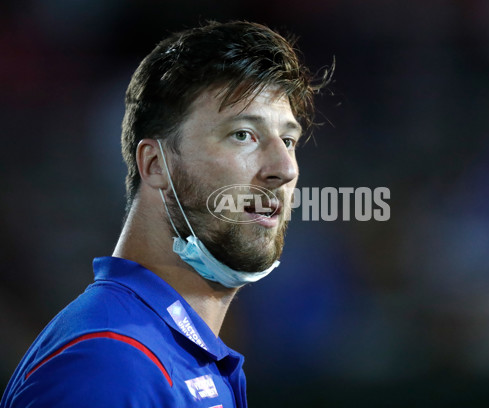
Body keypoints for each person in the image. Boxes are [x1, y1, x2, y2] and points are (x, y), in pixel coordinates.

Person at [1, 20, 331, 407]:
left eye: (288, 140)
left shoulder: (172, 355)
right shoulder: (110, 364)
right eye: (243, 134)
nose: (285, 168)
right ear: (155, 164)